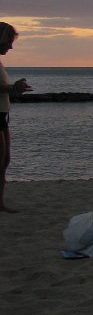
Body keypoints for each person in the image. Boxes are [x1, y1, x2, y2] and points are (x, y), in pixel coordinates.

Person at [0, 23, 32, 213]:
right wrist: (13, 88)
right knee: (1, 160)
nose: (10, 47)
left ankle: (0, 202)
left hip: (3, 114)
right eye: (9, 42)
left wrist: (15, 89)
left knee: (5, 160)